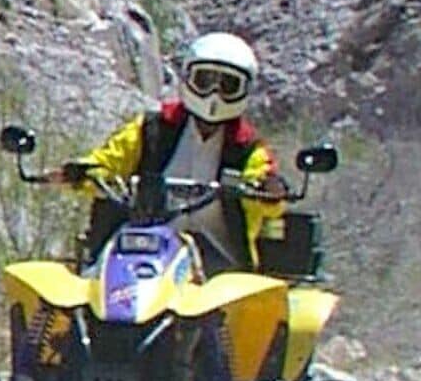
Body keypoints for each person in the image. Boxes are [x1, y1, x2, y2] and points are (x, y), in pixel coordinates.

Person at [64, 31, 288, 273]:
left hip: (220, 263)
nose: (214, 94)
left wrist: (270, 189)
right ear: (187, 79)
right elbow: (109, 160)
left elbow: (269, 196)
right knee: (82, 289)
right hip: (143, 249)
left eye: (228, 85)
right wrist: (81, 171)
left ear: (244, 90)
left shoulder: (249, 149)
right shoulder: (150, 129)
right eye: (204, 81)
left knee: (250, 306)